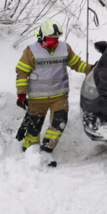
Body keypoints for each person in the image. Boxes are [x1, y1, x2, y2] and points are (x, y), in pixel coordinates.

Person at [15, 19, 92, 167]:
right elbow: (22, 72)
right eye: (51, 39)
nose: (54, 42)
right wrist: (21, 94)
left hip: (59, 95)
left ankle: (46, 150)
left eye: (56, 38)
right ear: (43, 36)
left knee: (59, 122)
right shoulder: (31, 51)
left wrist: (93, 68)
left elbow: (77, 64)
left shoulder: (64, 48)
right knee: (34, 127)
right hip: (37, 98)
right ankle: (30, 151)